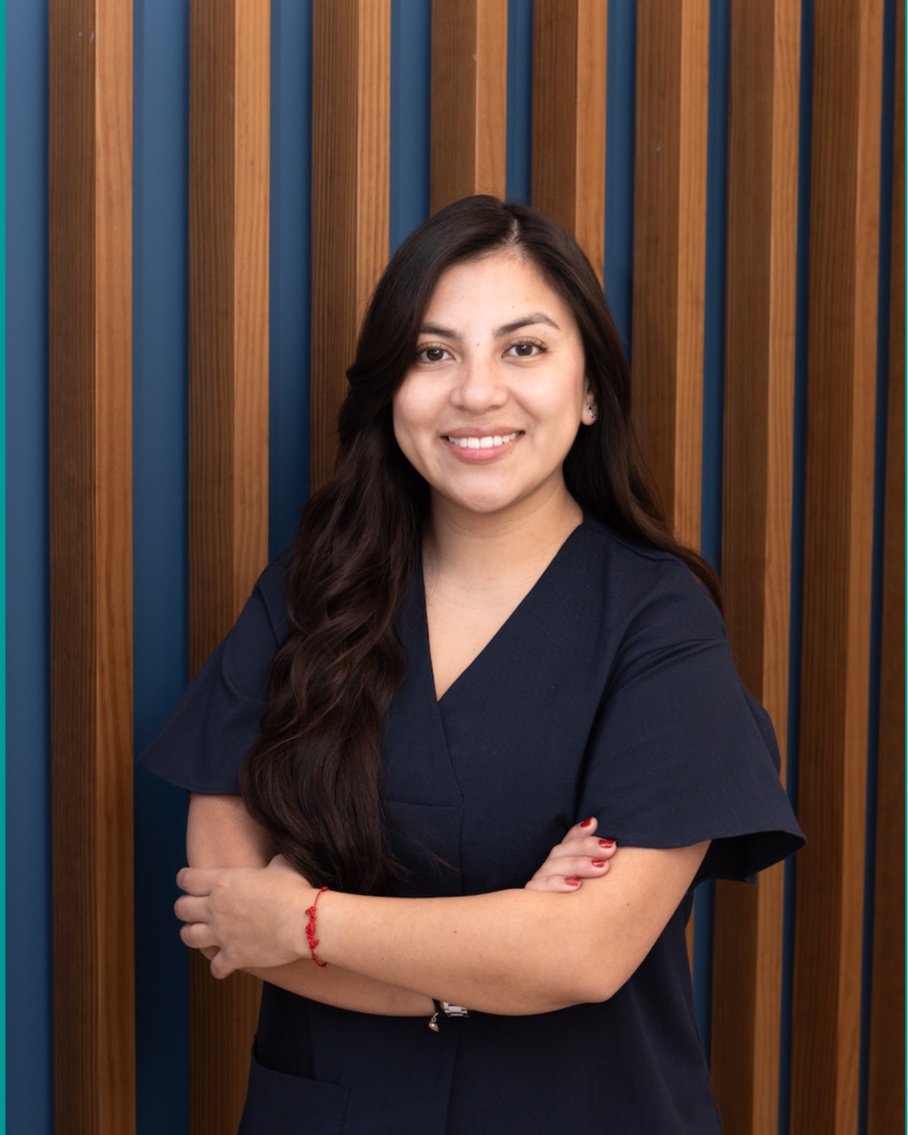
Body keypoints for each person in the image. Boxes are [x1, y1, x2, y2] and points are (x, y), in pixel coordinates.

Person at [141, 195, 804, 1133]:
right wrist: (490, 958)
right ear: (391, 390)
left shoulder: (660, 623)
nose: (477, 391)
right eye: (433, 351)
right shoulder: (310, 594)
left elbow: (581, 955)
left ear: (587, 392)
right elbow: (225, 910)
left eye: (523, 348)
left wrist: (306, 918)